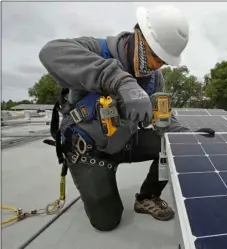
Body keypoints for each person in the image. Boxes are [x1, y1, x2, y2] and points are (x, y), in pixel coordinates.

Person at [39, 5, 215, 232]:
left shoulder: (155, 78)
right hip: (89, 151)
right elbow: (50, 51)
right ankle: (99, 184)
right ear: (138, 35)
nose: (155, 66)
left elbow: (162, 117)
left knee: (170, 145)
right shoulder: (97, 50)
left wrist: (181, 135)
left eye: (162, 61)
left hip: (125, 140)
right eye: (154, 56)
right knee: (107, 222)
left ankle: (147, 197)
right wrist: (120, 81)